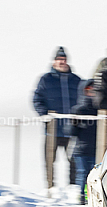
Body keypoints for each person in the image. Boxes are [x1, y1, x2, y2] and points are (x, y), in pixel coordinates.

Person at [32, 47, 83, 188]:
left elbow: (84, 100)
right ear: (54, 61)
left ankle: (72, 188)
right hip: (52, 129)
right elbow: (37, 99)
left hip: (71, 129)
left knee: (74, 161)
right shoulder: (46, 79)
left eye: (64, 59)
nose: (62, 62)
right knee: (49, 161)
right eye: (59, 59)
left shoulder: (76, 80)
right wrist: (45, 115)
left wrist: (78, 117)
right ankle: (50, 188)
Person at [69, 79, 98, 203]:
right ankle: (82, 196)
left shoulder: (101, 109)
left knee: (95, 175)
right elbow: (71, 132)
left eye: (94, 90)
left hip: (97, 149)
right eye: (88, 90)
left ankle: (91, 198)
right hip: (82, 149)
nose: (91, 93)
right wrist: (74, 124)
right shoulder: (78, 110)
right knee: (83, 173)